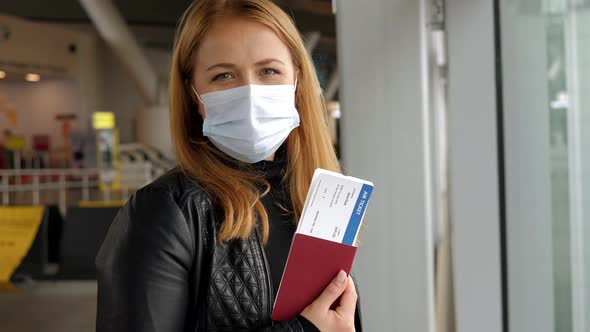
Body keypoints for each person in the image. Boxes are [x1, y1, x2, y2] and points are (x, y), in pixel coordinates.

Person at [95, 0, 362, 331]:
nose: (250, 93)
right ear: (195, 95)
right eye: (223, 75)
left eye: (269, 71)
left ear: (297, 81)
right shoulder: (165, 211)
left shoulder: (315, 198)